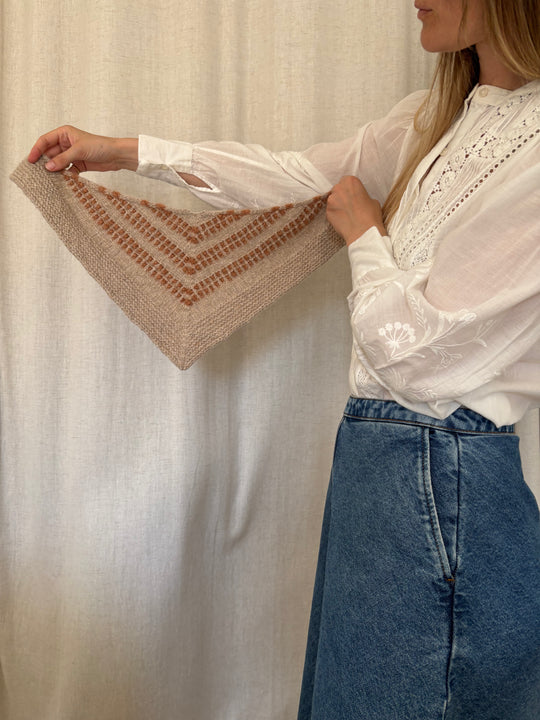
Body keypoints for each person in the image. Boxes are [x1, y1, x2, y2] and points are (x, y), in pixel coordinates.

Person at [28, 0, 540, 717]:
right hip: (381, 464)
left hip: (445, 474)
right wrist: (126, 152)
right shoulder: (436, 121)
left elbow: (417, 359)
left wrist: (364, 234)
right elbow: (295, 175)